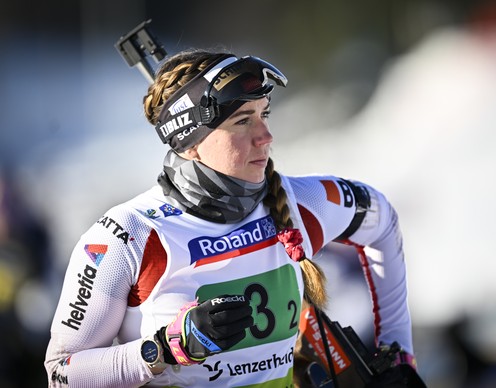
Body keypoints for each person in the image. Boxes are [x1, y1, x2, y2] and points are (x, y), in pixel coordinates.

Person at [44, 49, 420, 387]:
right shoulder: (127, 235)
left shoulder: (302, 203)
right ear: (190, 142)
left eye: (264, 114)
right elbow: (62, 373)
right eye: (243, 121)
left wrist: (398, 352)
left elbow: (381, 220)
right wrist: (168, 347)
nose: (266, 135)